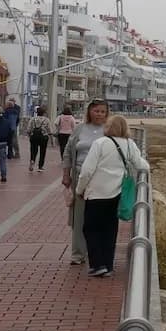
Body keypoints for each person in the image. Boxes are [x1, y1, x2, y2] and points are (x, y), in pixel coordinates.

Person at [75, 115, 149, 277]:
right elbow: (141, 164)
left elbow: (87, 171)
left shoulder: (100, 143)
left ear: (108, 127)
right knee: (109, 230)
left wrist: (79, 190)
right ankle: (108, 265)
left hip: (96, 193)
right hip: (116, 193)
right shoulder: (130, 144)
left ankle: (97, 264)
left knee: (91, 229)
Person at [62, 100, 109, 266]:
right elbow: (68, 151)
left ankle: (97, 252)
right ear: (89, 112)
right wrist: (66, 174)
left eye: (103, 111)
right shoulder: (79, 129)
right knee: (79, 218)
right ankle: (77, 254)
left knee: (99, 218)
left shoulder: (110, 130)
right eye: (96, 111)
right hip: (80, 177)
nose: (99, 114)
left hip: (102, 180)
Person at [27, 106, 52, 172]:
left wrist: (29, 135)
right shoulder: (46, 120)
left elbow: (28, 129)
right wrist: (50, 134)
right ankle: (40, 166)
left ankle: (32, 160)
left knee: (33, 150)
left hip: (34, 137)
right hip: (43, 137)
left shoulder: (32, 119)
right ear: (44, 113)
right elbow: (49, 129)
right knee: (42, 151)